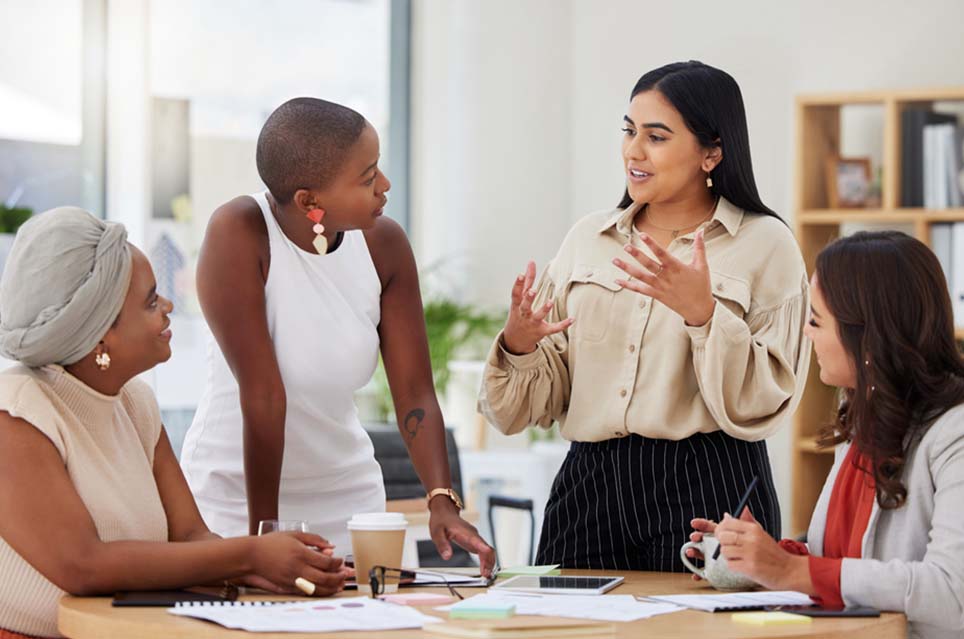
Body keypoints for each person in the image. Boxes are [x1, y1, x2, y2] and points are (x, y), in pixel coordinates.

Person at [479, 61, 810, 571]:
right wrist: (520, 345)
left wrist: (704, 316)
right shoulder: (588, 239)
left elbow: (766, 399)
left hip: (709, 480)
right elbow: (530, 407)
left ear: (712, 152)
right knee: (568, 628)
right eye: (630, 131)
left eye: (656, 136)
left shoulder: (765, 244)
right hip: (590, 483)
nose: (633, 151)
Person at [0, 208, 348, 639]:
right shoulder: (16, 412)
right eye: (150, 301)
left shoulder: (136, 404)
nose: (168, 307)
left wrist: (272, 570)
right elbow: (82, 565)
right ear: (100, 336)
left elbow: (189, 535)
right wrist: (251, 556)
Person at [179, 98, 495, 573]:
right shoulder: (240, 232)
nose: (384, 186)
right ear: (310, 201)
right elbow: (263, 395)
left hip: (350, 502)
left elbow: (413, 391)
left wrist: (441, 500)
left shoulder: (384, 245)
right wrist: (264, 537)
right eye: (368, 178)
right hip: (237, 500)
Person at [693, 231, 964, 639]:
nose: (806, 332)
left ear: (867, 334)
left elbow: (951, 594)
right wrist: (763, 558)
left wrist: (791, 571)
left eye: (816, 320)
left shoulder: (953, 435)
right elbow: (845, 561)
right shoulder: (863, 418)